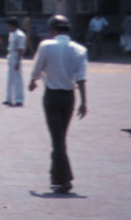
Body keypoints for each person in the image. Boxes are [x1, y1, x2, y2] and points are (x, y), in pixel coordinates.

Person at [28, 15, 89, 194]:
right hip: (69, 97)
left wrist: (33, 80)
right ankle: (58, 177)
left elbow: (37, 66)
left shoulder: (46, 46)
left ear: (53, 31)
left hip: (52, 96)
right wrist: (84, 102)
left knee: (58, 139)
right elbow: (81, 78)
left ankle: (64, 180)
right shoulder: (80, 50)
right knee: (61, 136)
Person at [3, 16, 28, 107]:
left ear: (13, 25)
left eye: (9, 25)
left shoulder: (20, 35)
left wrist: (18, 61)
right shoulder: (12, 34)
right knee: (10, 79)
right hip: (11, 56)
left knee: (18, 79)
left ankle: (19, 99)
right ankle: (9, 98)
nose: (8, 27)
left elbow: (21, 49)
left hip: (16, 57)